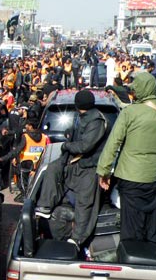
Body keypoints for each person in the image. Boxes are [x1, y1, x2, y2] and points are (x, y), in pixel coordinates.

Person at [97, 72, 156, 244]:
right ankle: (152, 253)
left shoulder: (130, 112)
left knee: (131, 222)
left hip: (130, 175)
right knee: (153, 219)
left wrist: (103, 171)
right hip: (154, 176)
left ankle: (131, 254)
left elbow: (113, 143)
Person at [35, 89, 108, 250]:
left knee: (85, 204)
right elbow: (77, 135)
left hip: (89, 167)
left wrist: (66, 145)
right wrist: (70, 135)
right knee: (53, 169)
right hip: (75, 164)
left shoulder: (96, 120)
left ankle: (77, 239)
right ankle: (45, 206)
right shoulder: (80, 117)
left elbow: (85, 145)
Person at [0, 120, 49, 193]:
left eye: (27, 125)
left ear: (31, 126)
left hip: (26, 165)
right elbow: (49, 150)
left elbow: (17, 150)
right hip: (39, 164)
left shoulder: (26, 136)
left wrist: (4, 158)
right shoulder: (44, 137)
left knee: (26, 188)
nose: (25, 126)